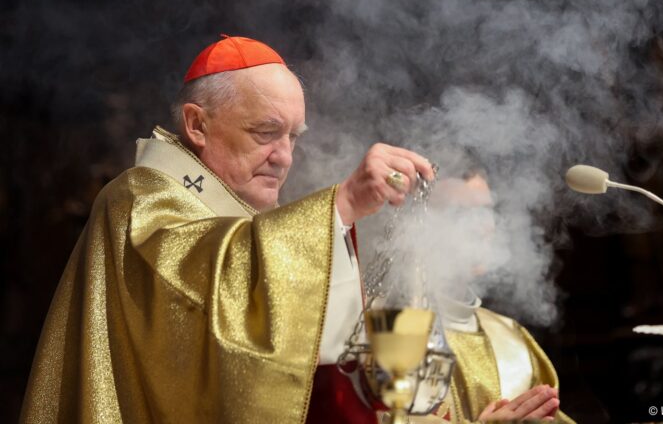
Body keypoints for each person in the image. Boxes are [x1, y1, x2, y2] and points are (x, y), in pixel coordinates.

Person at [20, 35, 434, 424]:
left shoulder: (241, 216)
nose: (285, 157)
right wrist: (342, 205)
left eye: (293, 137)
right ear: (197, 124)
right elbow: (202, 283)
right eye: (266, 133)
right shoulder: (138, 198)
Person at [415, 172, 576, 423]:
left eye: (486, 211)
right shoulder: (385, 332)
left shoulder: (510, 336)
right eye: (459, 213)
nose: (482, 228)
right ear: (417, 226)